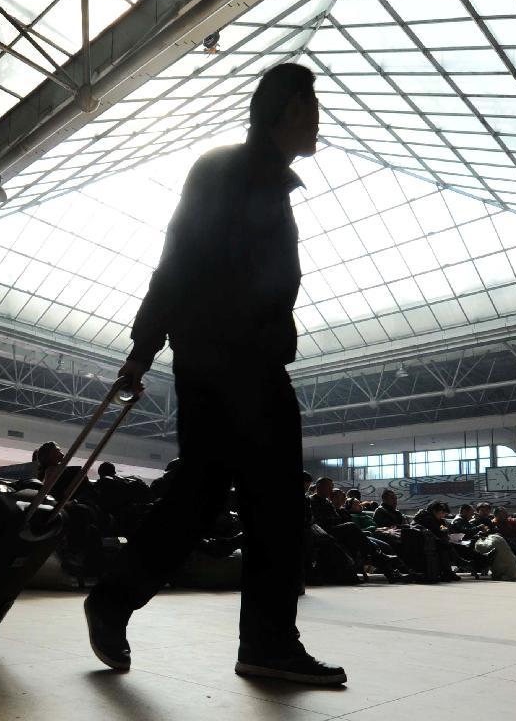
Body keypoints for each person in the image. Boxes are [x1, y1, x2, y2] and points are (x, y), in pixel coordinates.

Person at [83, 64, 345, 685]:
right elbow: (176, 261)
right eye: (311, 107)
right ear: (281, 111)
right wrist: (142, 350)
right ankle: (267, 643)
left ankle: (115, 600)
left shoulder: (265, 182)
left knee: (199, 502)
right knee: (276, 506)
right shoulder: (226, 171)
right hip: (235, 367)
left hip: (227, 363)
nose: (318, 120)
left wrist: (152, 350)